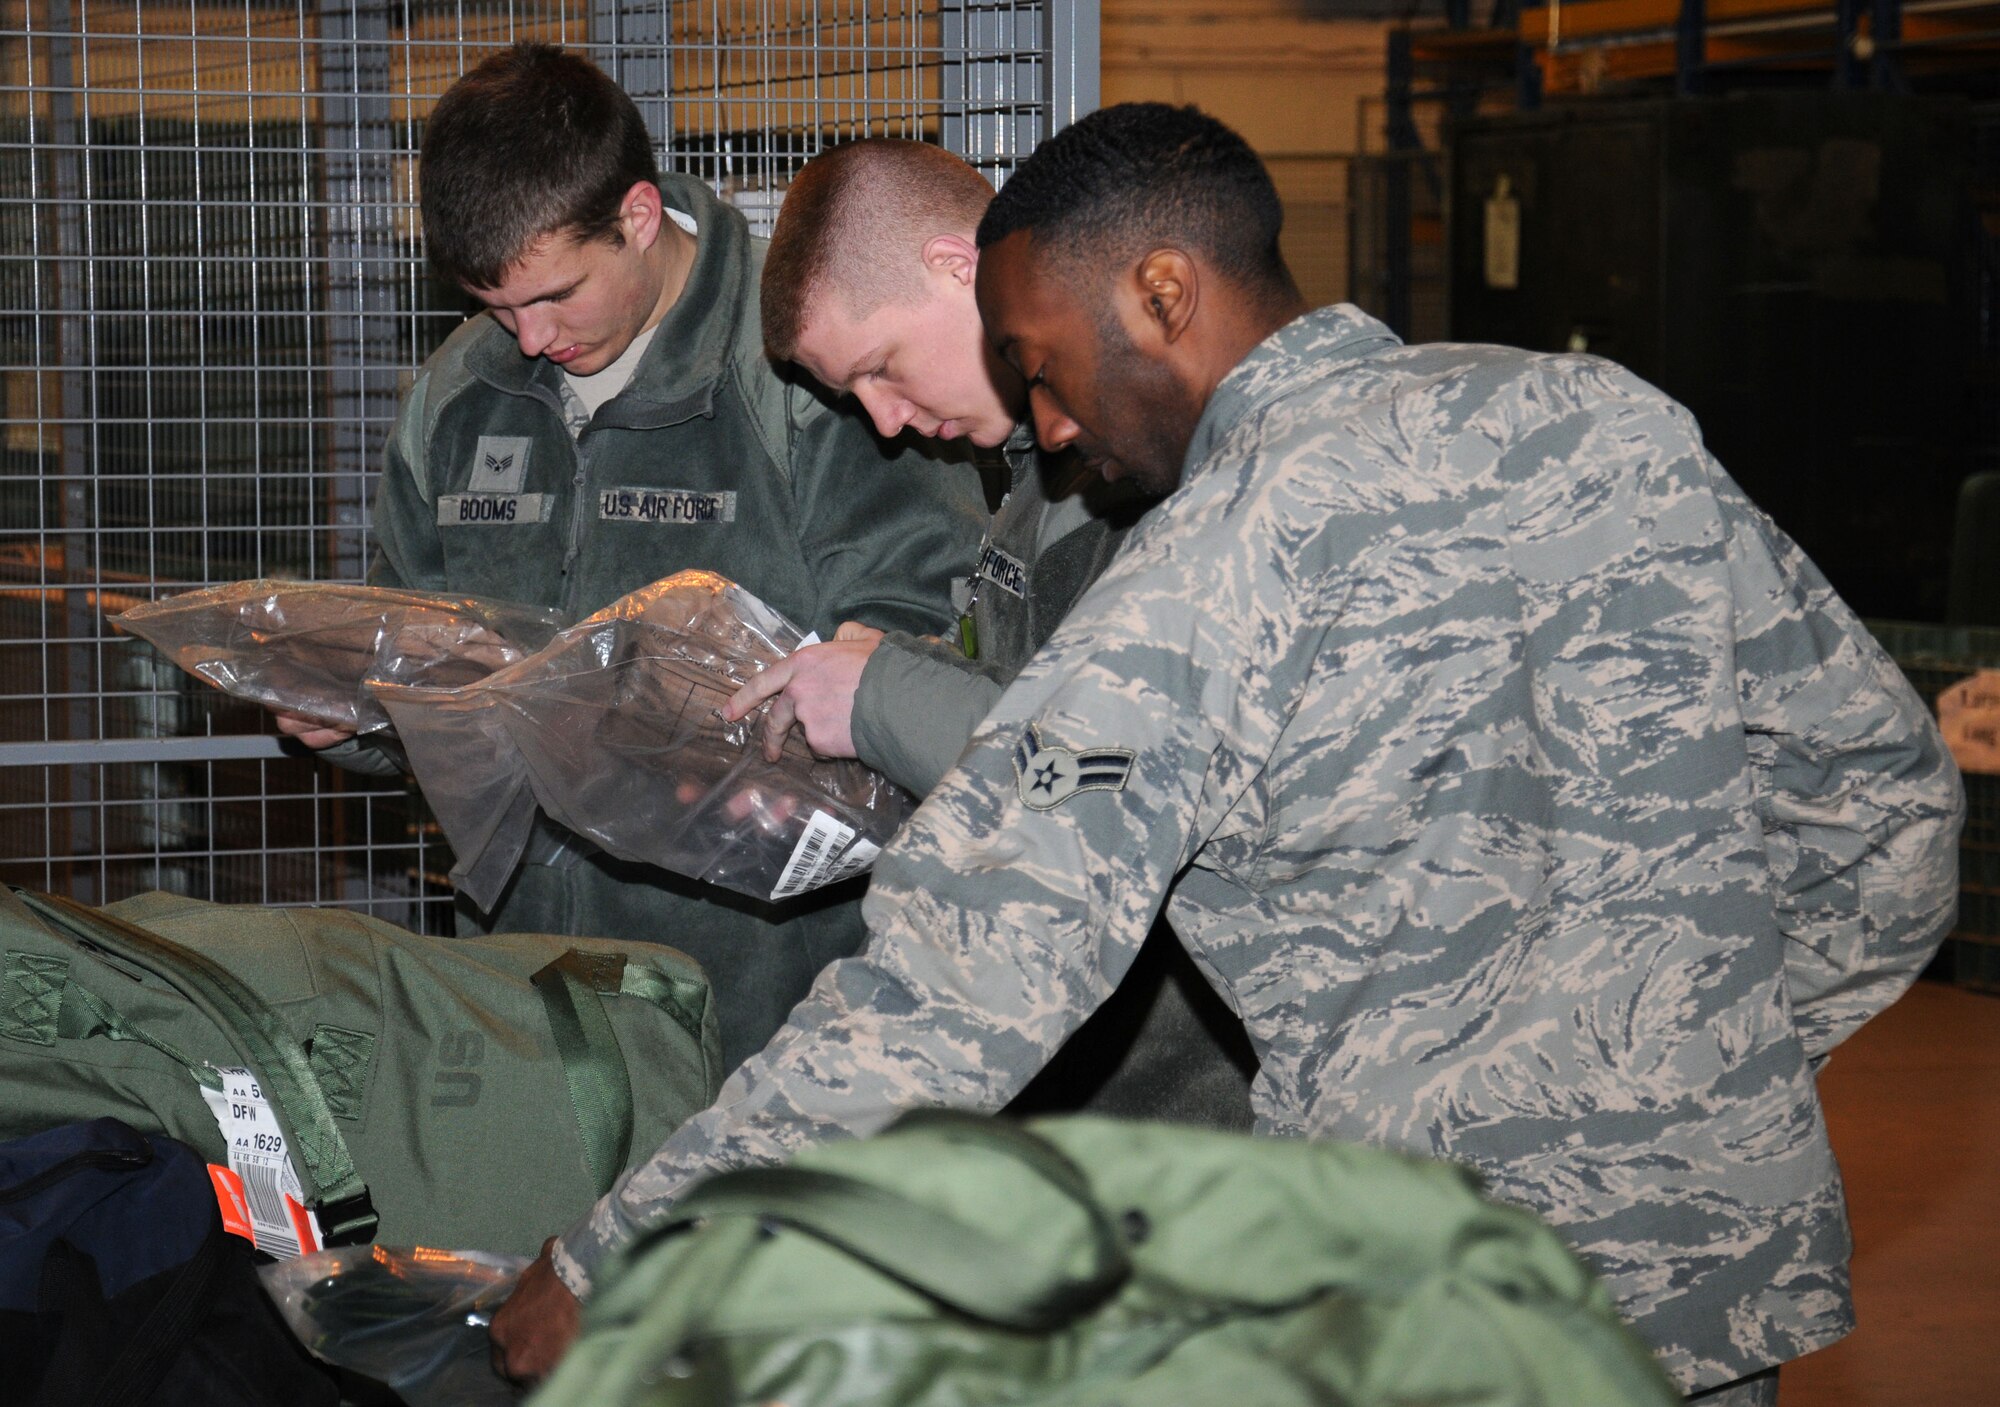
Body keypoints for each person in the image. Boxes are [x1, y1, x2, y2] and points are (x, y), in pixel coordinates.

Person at [491, 104, 1962, 1403]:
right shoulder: (1605, 422)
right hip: (1703, 1277)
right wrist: (1694, 1066)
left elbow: (952, 992)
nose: (1050, 425)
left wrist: (624, 1252)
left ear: (1162, 292)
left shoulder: (1195, 579)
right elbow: (1888, 807)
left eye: (1045, 366)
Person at [279, 44, 986, 1072]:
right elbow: (418, 654)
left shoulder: (808, 363)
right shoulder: (458, 395)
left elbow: (924, 655)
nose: (528, 338)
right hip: (527, 990)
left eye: (556, 295)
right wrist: (353, 715)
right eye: (494, 304)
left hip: (767, 998)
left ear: (639, 217)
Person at [732, 136, 1256, 1124]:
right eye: (855, 397)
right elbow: (1034, 681)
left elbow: (1117, 765)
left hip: (1195, 1112)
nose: (885, 422)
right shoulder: (1039, 479)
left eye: (883, 369)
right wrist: (895, 665)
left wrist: (881, 695)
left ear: (954, 267)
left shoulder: (1153, 458)